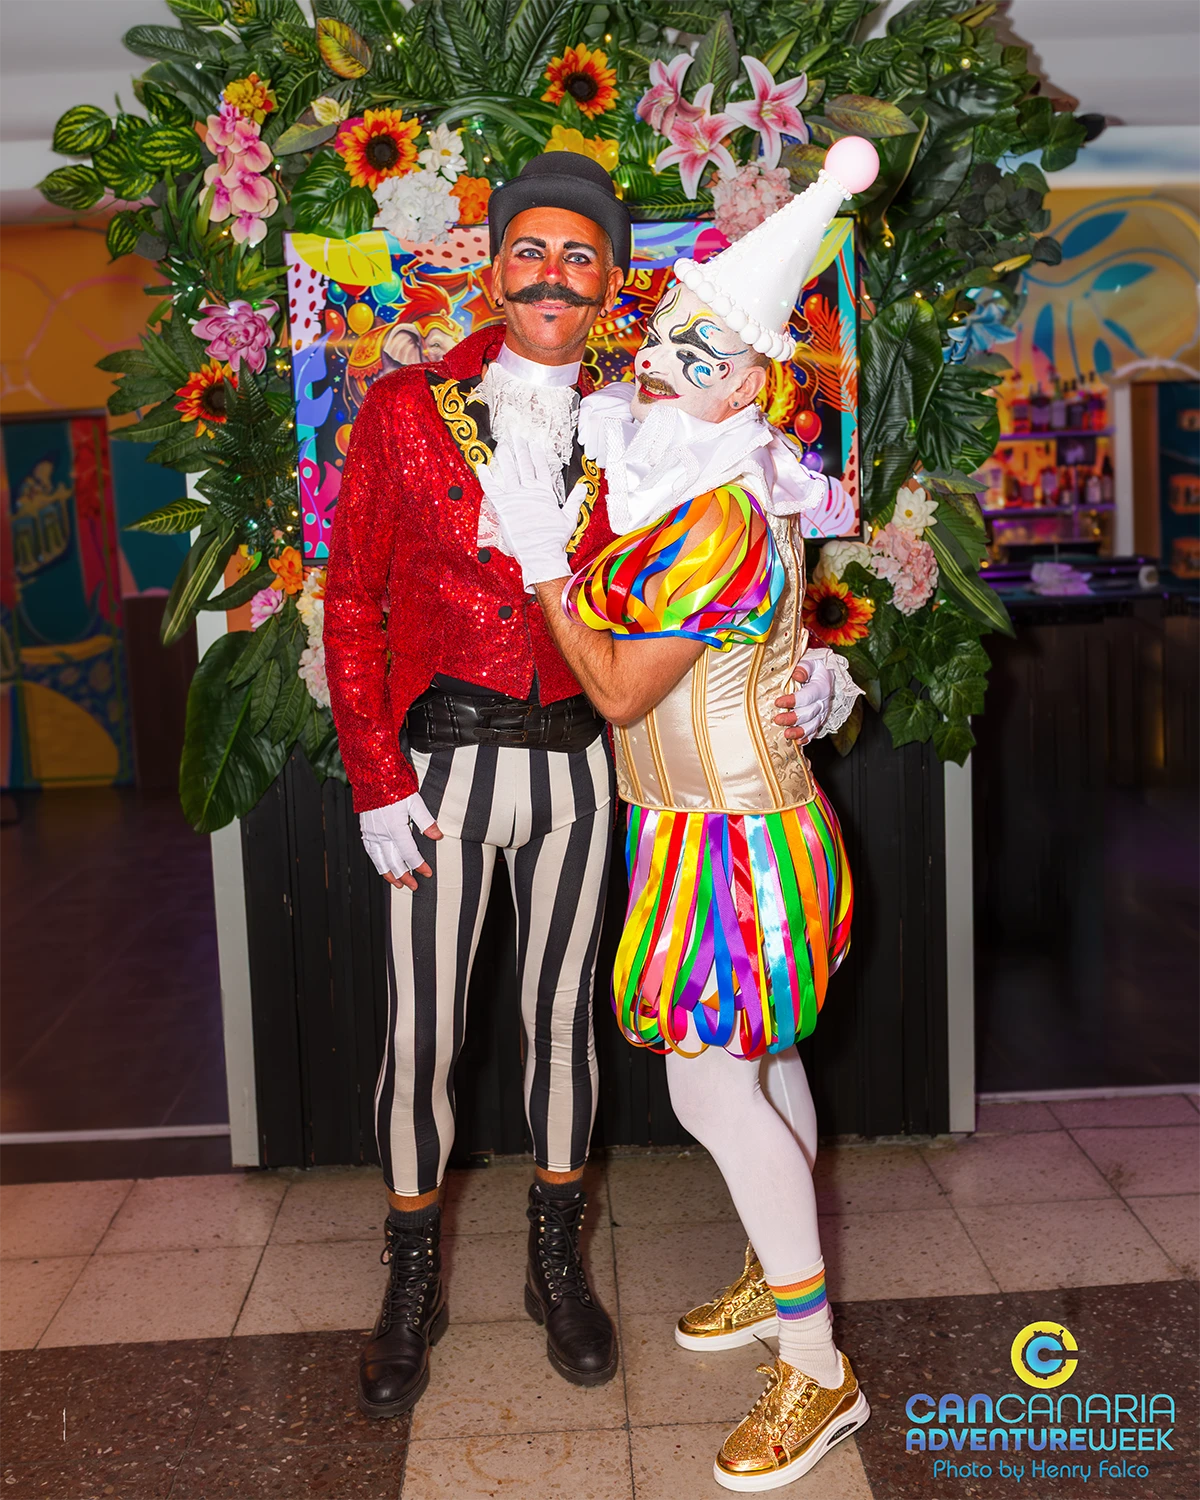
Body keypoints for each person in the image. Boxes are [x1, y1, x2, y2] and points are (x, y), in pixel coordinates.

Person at [477, 136, 881, 1491]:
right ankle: (779, 1273)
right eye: (663, 338)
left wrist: (543, 565)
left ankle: (818, 1372)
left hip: (734, 843)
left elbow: (611, 687)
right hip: (702, 825)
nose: (660, 363)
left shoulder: (711, 516)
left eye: (700, 351)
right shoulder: (683, 485)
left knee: (711, 1083)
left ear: (752, 380)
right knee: (765, 1067)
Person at [324, 152, 633, 1417]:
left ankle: (555, 1267)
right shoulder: (406, 408)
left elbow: (685, 596)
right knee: (424, 1035)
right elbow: (353, 598)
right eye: (530, 250)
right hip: (438, 774)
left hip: (580, 771)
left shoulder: (640, 421)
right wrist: (374, 775)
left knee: (561, 1023)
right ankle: (411, 1284)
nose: (553, 273)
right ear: (494, 273)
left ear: (609, 281)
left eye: (579, 254)